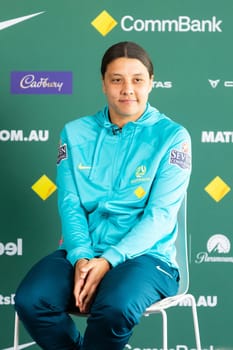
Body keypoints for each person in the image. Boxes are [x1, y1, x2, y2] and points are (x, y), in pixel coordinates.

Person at [15, 41, 192, 350]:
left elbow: (160, 215)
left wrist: (108, 261)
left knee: (114, 308)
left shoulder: (173, 136)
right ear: (103, 83)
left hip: (147, 258)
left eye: (137, 79)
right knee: (32, 300)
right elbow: (71, 205)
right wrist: (83, 257)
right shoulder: (74, 132)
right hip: (83, 251)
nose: (127, 89)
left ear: (151, 82)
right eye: (116, 79)